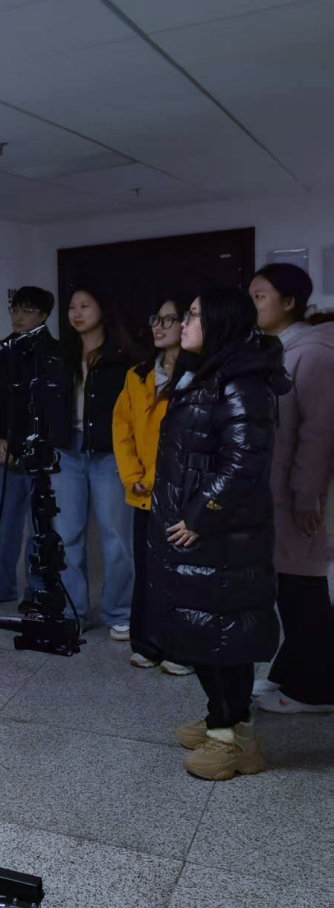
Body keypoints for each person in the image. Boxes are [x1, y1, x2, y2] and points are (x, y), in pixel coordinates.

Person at [153, 289, 288, 780]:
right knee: (206, 632)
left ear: (220, 322)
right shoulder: (208, 371)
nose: (183, 323)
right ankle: (222, 718)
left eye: (192, 315)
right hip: (199, 530)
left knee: (222, 635)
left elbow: (244, 464)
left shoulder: (241, 382)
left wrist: (200, 517)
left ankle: (232, 740)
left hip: (220, 533)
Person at [249, 265, 334, 714]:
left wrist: (305, 496)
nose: (252, 305)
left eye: (260, 296)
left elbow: (317, 436)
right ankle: (290, 671)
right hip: (278, 488)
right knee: (290, 583)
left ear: (289, 302)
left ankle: (317, 690)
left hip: (301, 494)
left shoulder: (313, 353)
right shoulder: (279, 350)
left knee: (304, 588)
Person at [112, 297, 193, 674]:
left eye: (168, 319)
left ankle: (183, 649)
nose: (158, 326)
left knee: (182, 573)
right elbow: (122, 429)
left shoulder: (201, 373)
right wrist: (133, 477)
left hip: (183, 495)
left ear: (188, 322)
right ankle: (146, 643)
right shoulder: (138, 374)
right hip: (143, 493)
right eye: (155, 319)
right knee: (147, 571)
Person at [51, 287, 135, 637]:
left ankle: (120, 611)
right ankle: (75, 611)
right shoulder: (62, 355)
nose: (76, 313)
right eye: (72, 307)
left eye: (85, 306)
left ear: (103, 309)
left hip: (108, 452)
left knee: (116, 537)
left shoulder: (123, 357)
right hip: (67, 451)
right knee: (66, 535)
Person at [0, 286, 58, 605]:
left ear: (43, 315)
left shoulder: (53, 353)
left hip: (43, 453)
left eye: (27, 310)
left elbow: (52, 407)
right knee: (2, 524)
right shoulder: (4, 351)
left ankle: (37, 591)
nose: (18, 316)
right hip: (9, 451)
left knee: (40, 526)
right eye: (15, 309)